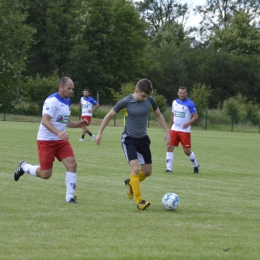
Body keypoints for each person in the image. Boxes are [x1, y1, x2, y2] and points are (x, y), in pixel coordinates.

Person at [95, 78, 170, 210]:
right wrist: (100, 132)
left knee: (147, 172)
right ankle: (139, 201)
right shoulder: (126, 101)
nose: (146, 98)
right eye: (143, 95)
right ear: (136, 91)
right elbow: (108, 116)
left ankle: (130, 182)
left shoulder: (150, 101)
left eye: (148, 96)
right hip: (129, 139)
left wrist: (166, 131)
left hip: (143, 139)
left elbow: (158, 115)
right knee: (135, 169)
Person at [13, 77, 89, 203]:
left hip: (60, 141)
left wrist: (77, 124)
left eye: (72, 89)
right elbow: (45, 120)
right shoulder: (52, 101)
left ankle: (70, 197)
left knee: (72, 164)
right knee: (45, 174)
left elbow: (64, 120)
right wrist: (59, 132)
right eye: (69, 88)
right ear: (61, 87)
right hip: (46, 141)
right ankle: (24, 166)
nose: (71, 91)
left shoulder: (67, 101)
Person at [165, 86, 199, 173]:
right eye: (180, 93)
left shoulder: (190, 104)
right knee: (169, 147)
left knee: (187, 151)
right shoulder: (174, 102)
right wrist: (170, 128)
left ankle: (196, 165)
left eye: (183, 93)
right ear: (178, 93)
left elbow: (195, 117)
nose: (182, 94)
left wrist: (188, 123)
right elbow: (173, 115)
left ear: (186, 94)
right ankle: (169, 169)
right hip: (174, 130)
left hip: (184, 131)